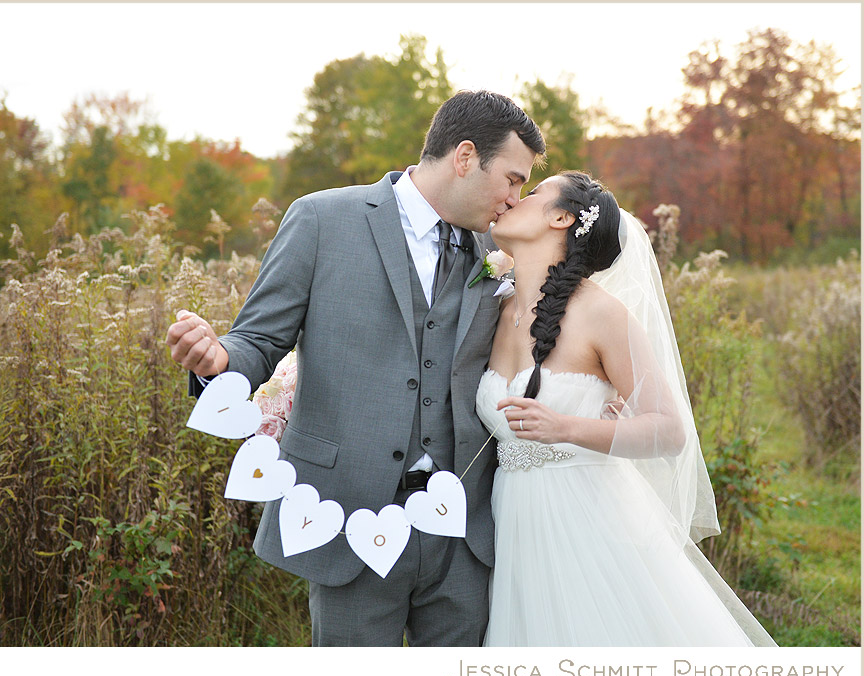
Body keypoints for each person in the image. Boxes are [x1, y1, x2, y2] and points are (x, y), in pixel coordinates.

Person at [165, 90, 546, 646]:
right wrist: (218, 361)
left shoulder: (499, 246)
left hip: (464, 534)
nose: (516, 199)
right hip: (345, 515)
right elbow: (258, 337)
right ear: (465, 158)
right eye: (512, 179)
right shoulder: (322, 219)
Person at [477, 170, 776, 646]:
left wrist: (566, 427)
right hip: (509, 522)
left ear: (561, 217)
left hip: (586, 521)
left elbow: (668, 431)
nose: (515, 200)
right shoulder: (491, 304)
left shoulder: (603, 314)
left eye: (533, 193)